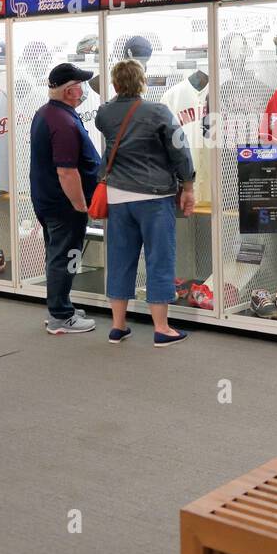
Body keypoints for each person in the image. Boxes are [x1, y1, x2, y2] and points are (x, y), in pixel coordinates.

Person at [95, 59, 196, 348]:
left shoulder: (104, 114)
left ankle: (118, 326)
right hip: (154, 196)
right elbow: (179, 149)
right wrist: (187, 184)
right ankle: (162, 328)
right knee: (159, 258)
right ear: (143, 82)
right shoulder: (158, 112)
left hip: (117, 196)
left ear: (114, 84)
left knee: (120, 258)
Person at [30, 62, 102, 335]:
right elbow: (67, 171)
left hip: (50, 201)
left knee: (57, 254)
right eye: (80, 85)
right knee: (66, 255)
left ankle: (61, 304)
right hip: (63, 205)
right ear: (71, 91)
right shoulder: (62, 122)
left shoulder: (48, 114)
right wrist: (81, 205)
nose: (83, 90)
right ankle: (61, 315)